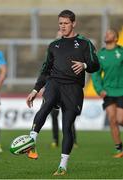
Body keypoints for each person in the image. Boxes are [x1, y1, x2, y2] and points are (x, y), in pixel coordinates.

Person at [26, 9, 99, 175]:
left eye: (66, 23)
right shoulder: (54, 45)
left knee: (67, 126)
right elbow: (45, 70)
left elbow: (96, 65)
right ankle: (31, 141)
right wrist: (35, 89)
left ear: (74, 23)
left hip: (73, 88)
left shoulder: (84, 43)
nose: (63, 26)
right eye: (60, 23)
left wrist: (85, 65)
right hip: (54, 83)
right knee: (46, 106)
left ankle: (62, 166)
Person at [92, 29, 123, 158]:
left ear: (116, 38)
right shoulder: (100, 55)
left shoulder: (121, 52)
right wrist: (100, 89)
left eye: (110, 33)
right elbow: (96, 74)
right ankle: (120, 149)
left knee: (120, 119)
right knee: (112, 119)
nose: (106, 34)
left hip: (122, 90)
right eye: (106, 33)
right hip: (108, 92)